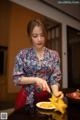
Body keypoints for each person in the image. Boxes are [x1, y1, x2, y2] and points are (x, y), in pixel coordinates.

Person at [13, 18, 64, 109]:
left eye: (42, 35)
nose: (39, 39)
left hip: (46, 98)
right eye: (35, 36)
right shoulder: (23, 54)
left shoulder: (54, 55)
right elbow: (17, 78)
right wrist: (36, 79)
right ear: (30, 36)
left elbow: (54, 78)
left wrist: (56, 93)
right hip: (26, 97)